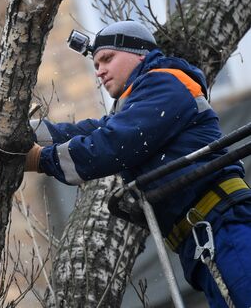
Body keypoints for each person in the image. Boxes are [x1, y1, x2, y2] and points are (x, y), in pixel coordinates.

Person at [21, 20, 251, 307]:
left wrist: (39, 159)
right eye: (95, 65)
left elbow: (110, 145)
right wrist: (19, 132)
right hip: (202, 238)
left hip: (225, 226)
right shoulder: (139, 102)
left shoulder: (165, 81)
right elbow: (87, 131)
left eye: (107, 59)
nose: (99, 71)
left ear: (140, 53)